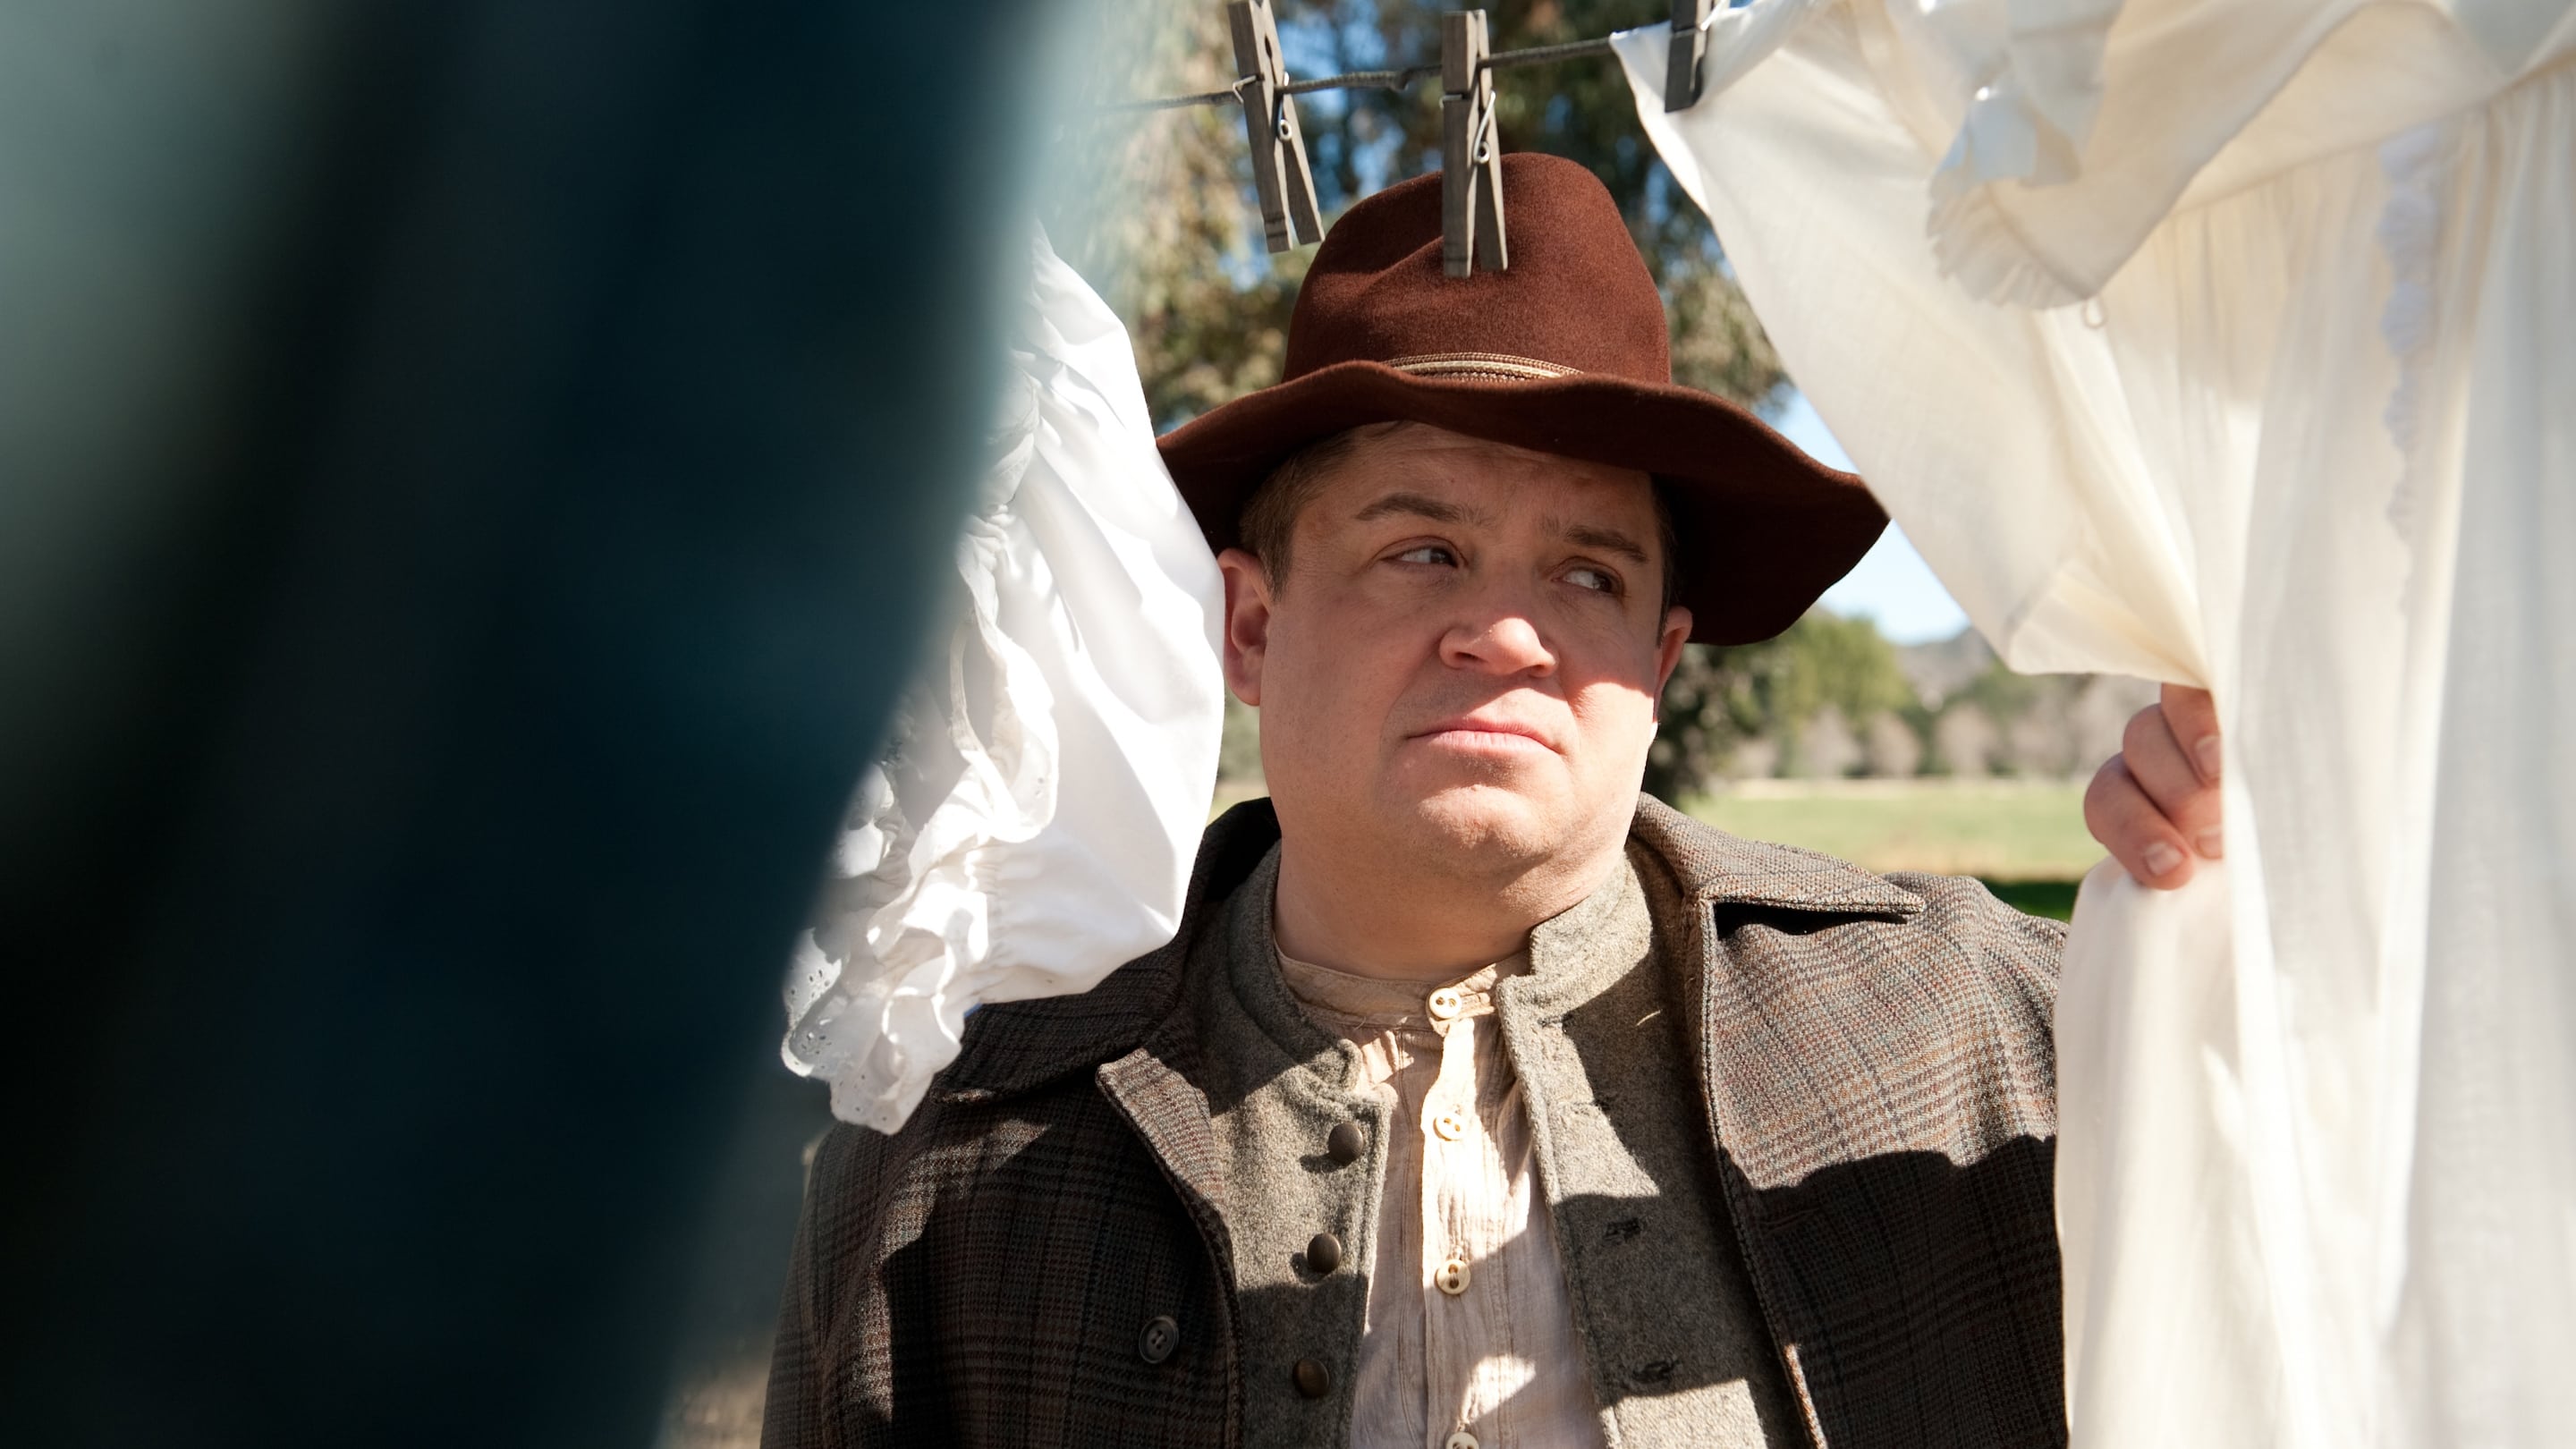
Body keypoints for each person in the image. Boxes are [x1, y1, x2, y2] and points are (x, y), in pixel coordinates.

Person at [761, 156, 2222, 1449]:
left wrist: (2267, 903)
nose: (1511, 636)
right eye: (1424, 552)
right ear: (1250, 628)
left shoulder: (1979, 1031)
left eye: (1588, 574)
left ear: (1658, 664)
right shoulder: (951, 1143)